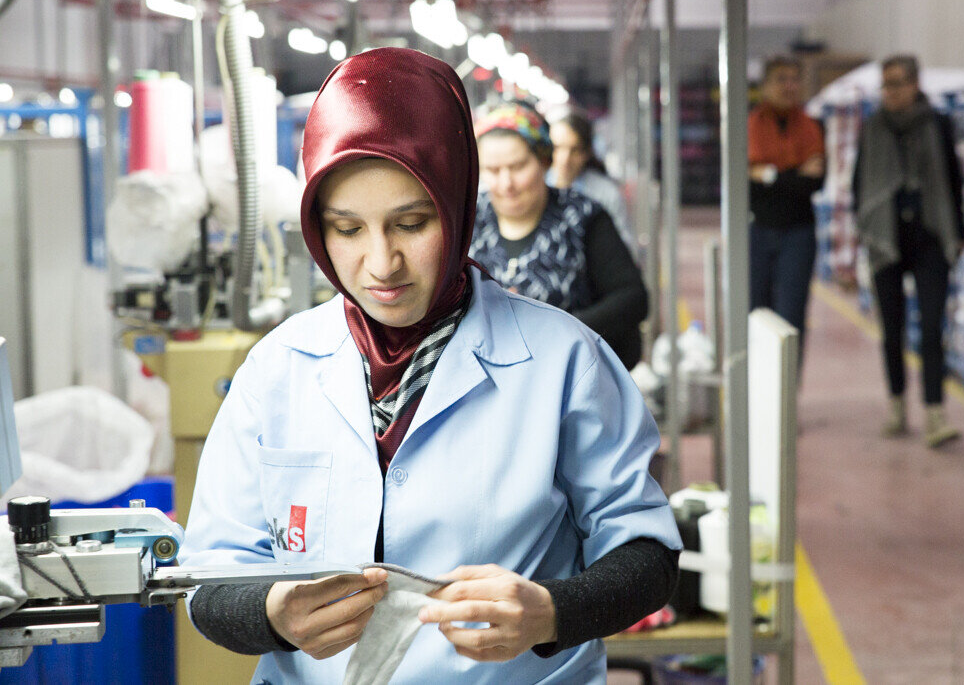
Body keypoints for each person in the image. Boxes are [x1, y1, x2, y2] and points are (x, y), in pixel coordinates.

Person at [178, 48, 681, 684]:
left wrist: (553, 613)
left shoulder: (564, 361)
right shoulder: (276, 370)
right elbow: (208, 577)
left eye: (411, 223)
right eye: (347, 229)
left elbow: (647, 553)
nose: (381, 263)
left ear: (457, 206)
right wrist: (272, 614)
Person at [470, 102, 647, 370]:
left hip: (570, 377)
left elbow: (632, 299)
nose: (506, 184)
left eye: (517, 167)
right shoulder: (470, 219)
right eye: (493, 171)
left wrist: (553, 329)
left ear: (543, 160)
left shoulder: (582, 216)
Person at [852, 54, 964, 448]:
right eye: (885, 85)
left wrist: (958, 232)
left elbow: (953, 178)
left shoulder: (938, 123)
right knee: (891, 328)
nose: (891, 93)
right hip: (887, 236)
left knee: (932, 326)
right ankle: (896, 404)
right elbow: (859, 182)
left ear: (915, 84)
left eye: (897, 84)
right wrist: (862, 229)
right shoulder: (873, 128)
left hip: (930, 235)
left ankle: (936, 412)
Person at [748, 56, 826, 361]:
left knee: (791, 315)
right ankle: (756, 391)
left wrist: (767, 174)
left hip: (799, 232)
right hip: (758, 229)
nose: (789, 86)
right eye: (781, 79)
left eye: (795, 79)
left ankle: (786, 396)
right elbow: (747, 185)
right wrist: (793, 174)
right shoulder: (750, 125)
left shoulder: (811, 126)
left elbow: (814, 183)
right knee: (756, 311)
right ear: (765, 85)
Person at [548, 110, 634, 250]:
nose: (565, 159)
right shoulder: (536, 186)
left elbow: (624, 246)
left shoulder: (606, 194)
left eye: (574, 150)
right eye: (557, 147)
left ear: (587, 152)